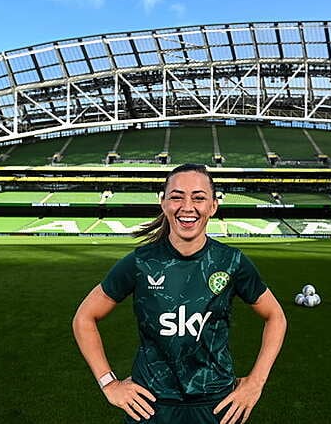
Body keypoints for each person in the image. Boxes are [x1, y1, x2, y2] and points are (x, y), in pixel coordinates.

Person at [72, 163, 287, 424]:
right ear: (163, 203)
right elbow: (84, 317)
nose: (187, 207)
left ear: (213, 206)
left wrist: (256, 383)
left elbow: (276, 316)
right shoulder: (140, 262)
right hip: (150, 407)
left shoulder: (231, 261)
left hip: (216, 406)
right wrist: (108, 383)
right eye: (176, 197)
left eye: (198, 198)